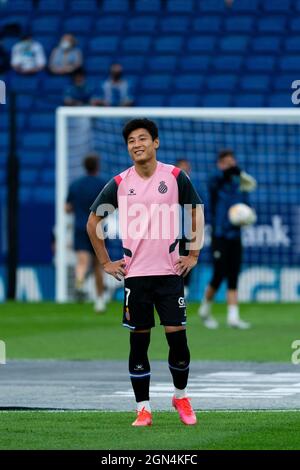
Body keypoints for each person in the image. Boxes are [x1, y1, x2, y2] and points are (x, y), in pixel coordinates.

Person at [87, 118, 204, 426]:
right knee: (139, 342)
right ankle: (143, 408)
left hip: (169, 274)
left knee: (177, 341)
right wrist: (105, 262)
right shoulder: (120, 183)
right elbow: (92, 223)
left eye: (142, 139)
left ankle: (180, 396)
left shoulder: (176, 177)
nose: (136, 144)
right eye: (130, 141)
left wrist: (193, 254)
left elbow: (195, 211)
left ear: (156, 143)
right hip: (135, 277)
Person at [198, 149, 256, 330]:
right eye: (226, 162)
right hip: (220, 235)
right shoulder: (216, 182)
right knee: (219, 273)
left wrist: (247, 217)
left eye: (233, 162)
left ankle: (233, 317)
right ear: (220, 164)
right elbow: (214, 181)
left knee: (233, 274)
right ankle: (204, 310)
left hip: (235, 236)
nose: (230, 165)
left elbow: (247, 209)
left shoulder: (239, 185)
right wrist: (228, 172)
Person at [65, 154, 107, 312]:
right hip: (97, 228)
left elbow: (67, 208)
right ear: (97, 166)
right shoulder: (103, 185)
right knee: (99, 265)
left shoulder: (75, 185)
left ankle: (80, 281)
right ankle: (100, 301)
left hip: (80, 227)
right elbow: (109, 208)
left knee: (82, 262)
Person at [175, 158, 194, 299]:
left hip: (187, 232)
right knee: (174, 261)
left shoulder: (191, 187)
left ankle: (185, 290)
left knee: (188, 259)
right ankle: (175, 288)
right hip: (172, 232)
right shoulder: (169, 186)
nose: (184, 170)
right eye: (182, 168)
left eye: (186, 167)